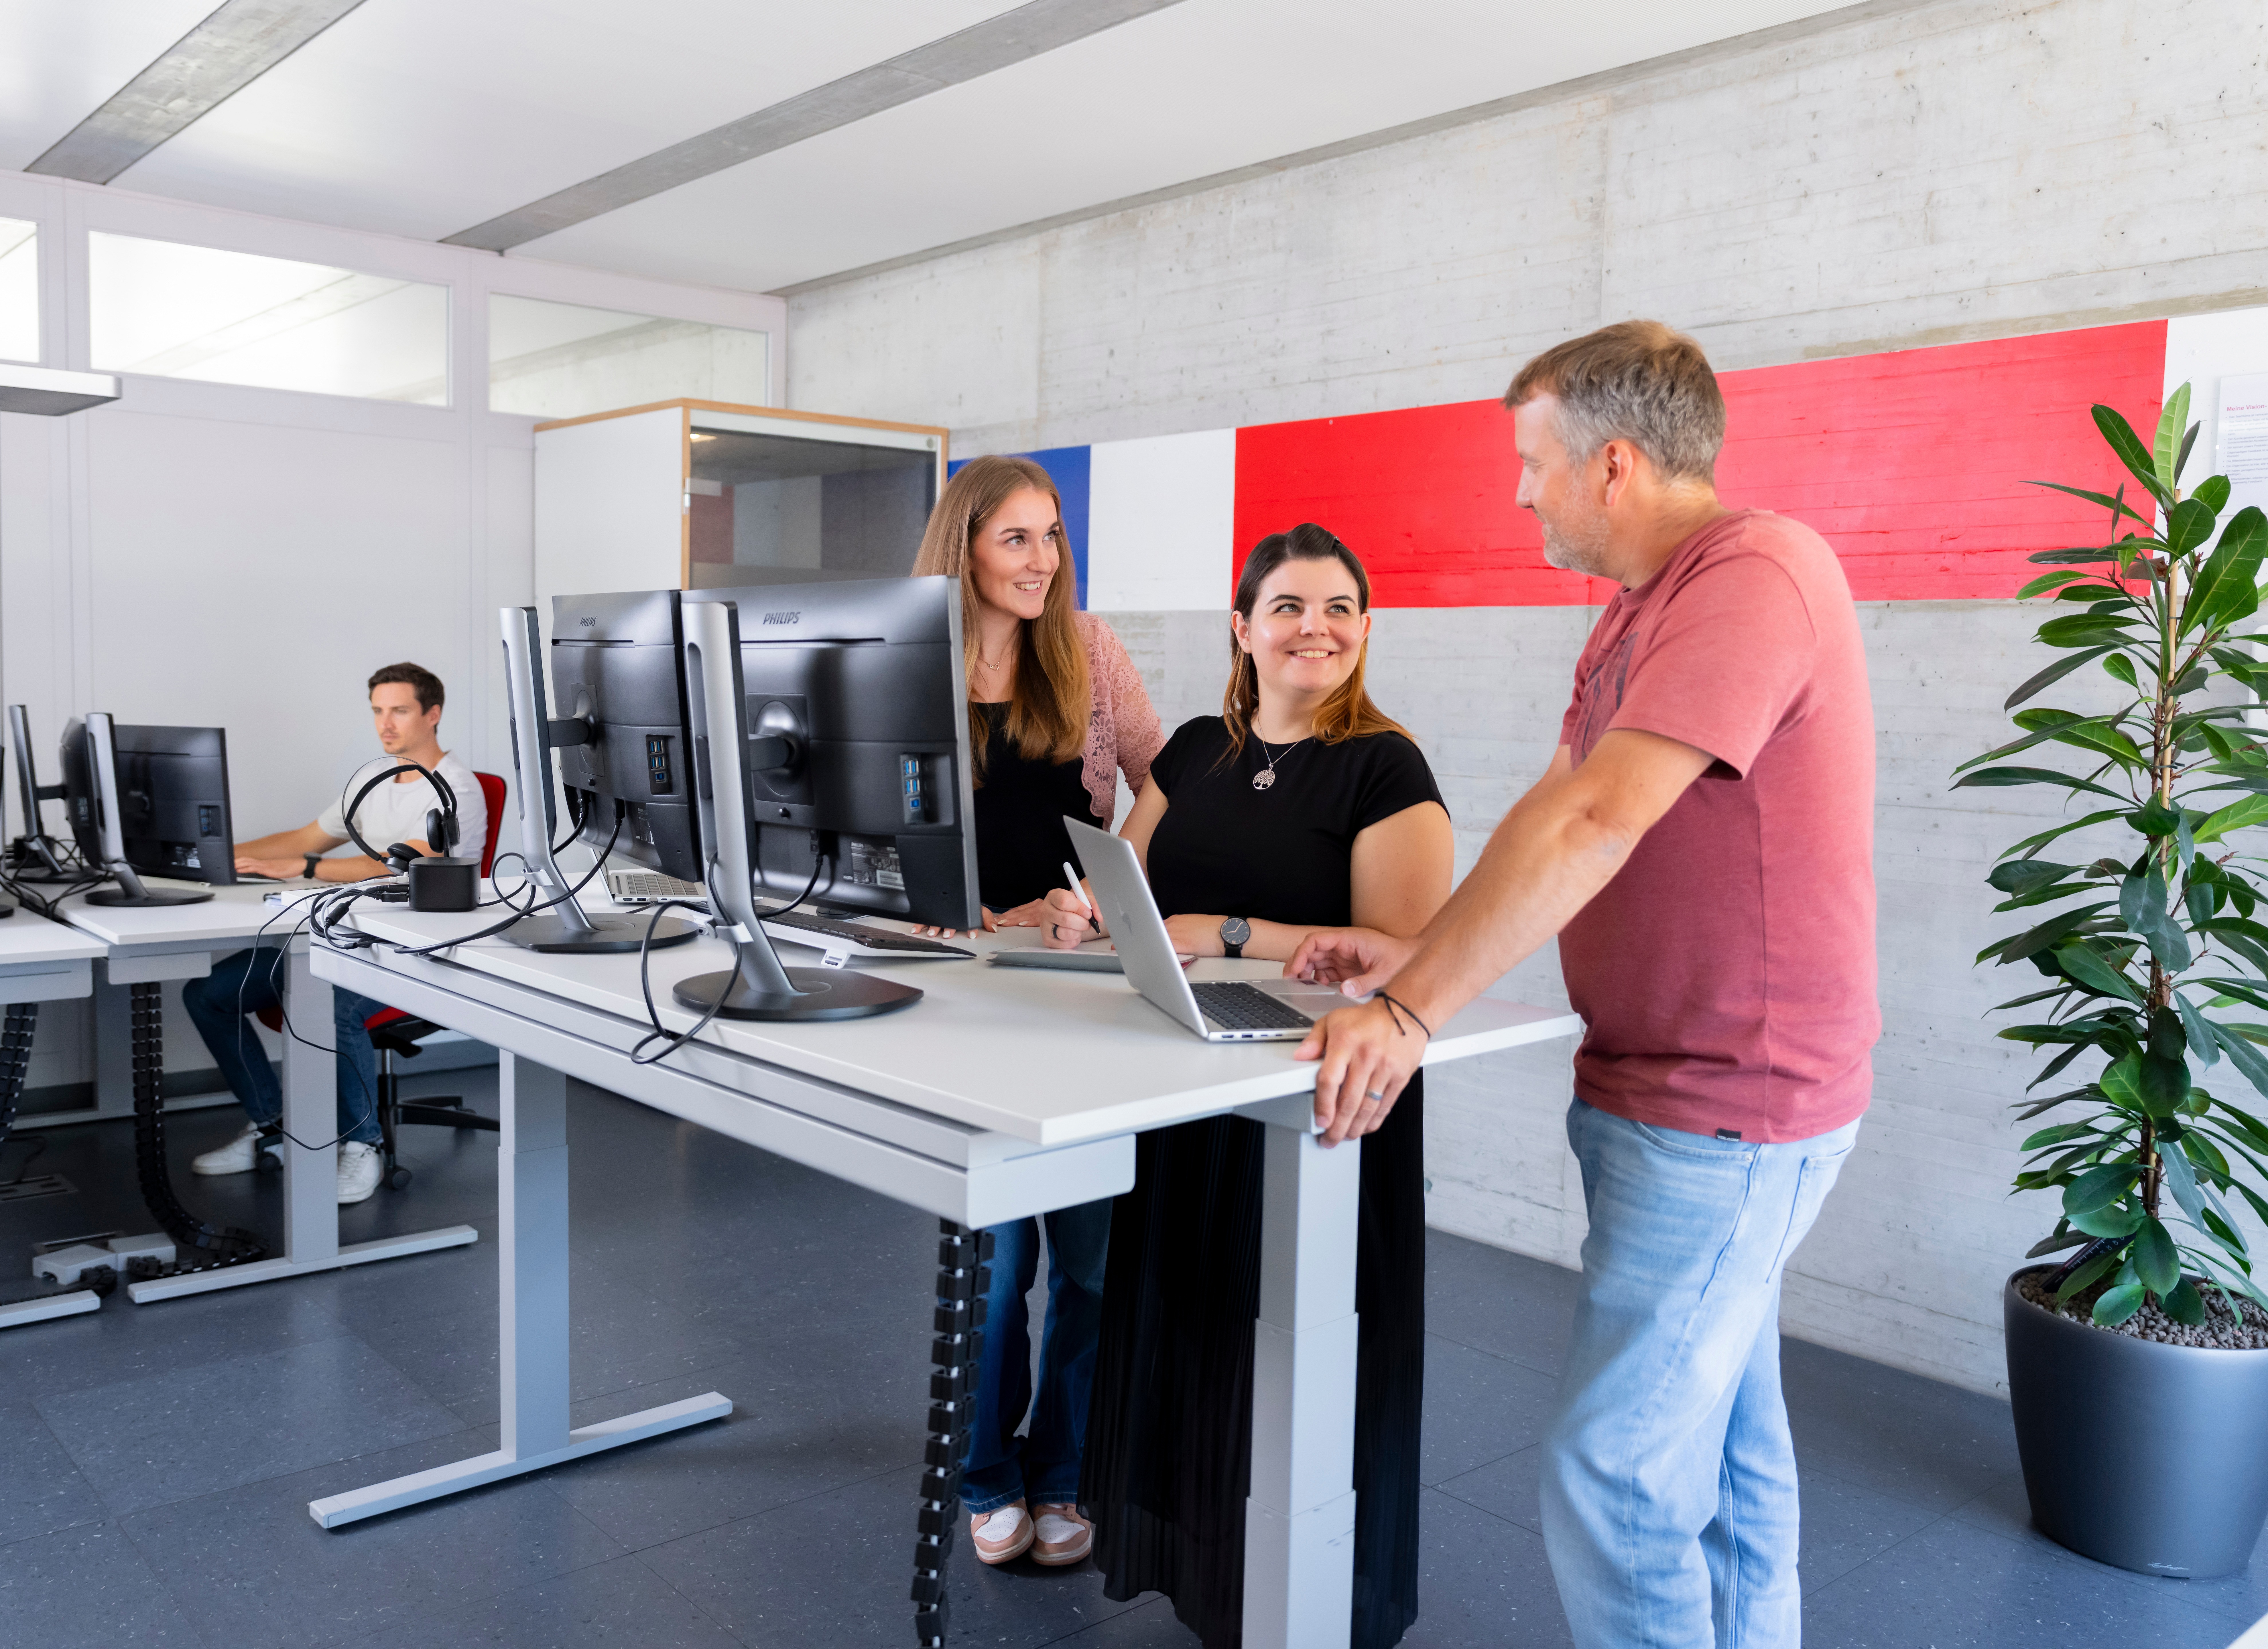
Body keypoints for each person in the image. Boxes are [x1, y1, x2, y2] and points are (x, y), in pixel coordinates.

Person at [1289, 321, 1878, 1649]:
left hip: (1731, 1108)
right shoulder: (1637, 609)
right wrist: (1419, 954)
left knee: (1612, 1474)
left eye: (1529, 461)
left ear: (1611, 465)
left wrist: (1404, 1015)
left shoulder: (1756, 576)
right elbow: (1547, 812)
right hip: (1661, 1090)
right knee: (1724, 1442)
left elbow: (1600, 821)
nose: (1517, 490)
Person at [1040, 524, 1453, 1647]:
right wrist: (1090, 917)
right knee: (1195, 1333)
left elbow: (1411, 948)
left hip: (1320, 1096)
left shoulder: (1385, 766)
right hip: (1183, 1086)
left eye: (1337, 608)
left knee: (1294, 1350)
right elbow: (1131, 893)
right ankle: (1213, 1580)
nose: (1313, 627)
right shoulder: (1187, 752)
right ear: (1244, 628)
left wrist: (1228, 932)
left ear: (1366, 629)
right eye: (1287, 606)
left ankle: (1312, 1601)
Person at [908, 454, 1166, 1567]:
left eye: (1052, 536)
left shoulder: (1090, 651)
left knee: (1093, 1262)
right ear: (964, 545)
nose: (1043, 560)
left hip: (1078, 988)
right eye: (1018, 538)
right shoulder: (904, 663)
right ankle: (983, 1475)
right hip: (963, 991)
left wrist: (1110, 894)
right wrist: (966, 918)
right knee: (998, 1265)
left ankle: (1065, 1471)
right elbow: (873, 837)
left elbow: (1164, 776)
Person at [183, 662, 489, 1206]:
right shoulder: (374, 780)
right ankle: (274, 1129)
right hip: (342, 934)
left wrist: (305, 869)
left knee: (329, 1005)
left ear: (433, 714)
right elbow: (308, 837)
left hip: (413, 950)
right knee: (207, 995)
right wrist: (215, 857)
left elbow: (406, 866)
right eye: (377, 711)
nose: (385, 724)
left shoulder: (456, 789)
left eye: (399, 710)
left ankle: (363, 1145)